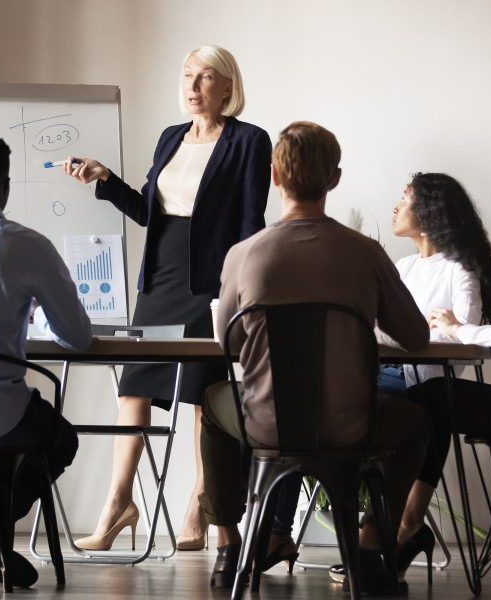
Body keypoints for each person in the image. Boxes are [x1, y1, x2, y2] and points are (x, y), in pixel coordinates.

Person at [200, 121, 430, 592]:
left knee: (212, 405)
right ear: (335, 179)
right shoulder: (365, 254)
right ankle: (367, 548)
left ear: (275, 176)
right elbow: (416, 337)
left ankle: (228, 546)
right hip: (353, 425)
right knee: (418, 424)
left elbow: (231, 345)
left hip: (265, 423)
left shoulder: (242, 255)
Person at [64, 45, 271, 551]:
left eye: (205, 76)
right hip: (159, 279)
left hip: (210, 284)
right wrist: (106, 180)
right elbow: (149, 211)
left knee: (204, 395)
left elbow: (250, 222)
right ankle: (118, 503)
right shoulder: (170, 139)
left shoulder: (250, 141)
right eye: (186, 75)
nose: (193, 84)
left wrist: (240, 291)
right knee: (134, 388)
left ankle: (203, 504)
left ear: (228, 87)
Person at [0, 132, 91, 587]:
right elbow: (79, 337)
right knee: (60, 439)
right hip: (1, 420)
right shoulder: (28, 246)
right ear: (6, 186)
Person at [395, 168, 491, 575]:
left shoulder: (457, 270)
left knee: (431, 397)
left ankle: (403, 526)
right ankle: (404, 527)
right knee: (432, 397)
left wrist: (457, 328)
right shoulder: (405, 267)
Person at [378, 172, 491, 396]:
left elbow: (464, 330)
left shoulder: (459, 269)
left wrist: (413, 334)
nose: (395, 208)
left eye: (405, 199)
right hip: (381, 369)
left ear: (428, 214)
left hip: (418, 384)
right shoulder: (404, 266)